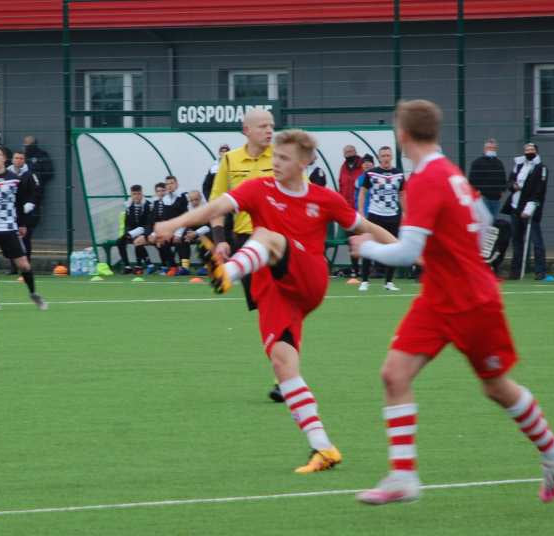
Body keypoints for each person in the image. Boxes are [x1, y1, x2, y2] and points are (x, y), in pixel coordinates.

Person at [349, 99, 554, 505]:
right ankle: (403, 476)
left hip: (471, 301)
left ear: (402, 134)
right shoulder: (448, 172)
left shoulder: (426, 179)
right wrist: (453, 251)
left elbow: (405, 253)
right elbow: (483, 223)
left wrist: (366, 249)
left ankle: (552, 449)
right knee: (393, 375)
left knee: (495, 387)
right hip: (439, 296)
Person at [155, 129, 396, 473]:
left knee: (265, 235)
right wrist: (174, 223)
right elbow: (218, 206)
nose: (276, 164)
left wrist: (407, 252)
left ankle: (228, 274)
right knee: (284, 366)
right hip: (274, 290)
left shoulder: (324, 198)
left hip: (308, 277)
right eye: (274, 157)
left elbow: (366, 226)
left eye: (283, 159)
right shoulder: (259, 189)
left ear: (304, 162)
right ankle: (323, 447)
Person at [209, 109, 285, 402]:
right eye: (264, 126)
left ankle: (284, 378)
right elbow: (217, 203)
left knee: (280, 309)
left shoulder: (282, 158)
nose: (269, 131)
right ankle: (284, 373)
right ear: (246, 130)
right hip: (244, 243)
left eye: (272, 126)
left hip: (278, 244)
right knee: (265, 311)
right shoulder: (229, 160)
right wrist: (220, 240)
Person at [0, 146, 45, 312]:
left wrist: (22, 224)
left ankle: (33, 293)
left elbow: (19, 203)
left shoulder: (14, 180)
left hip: (8, 228)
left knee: (24, 265)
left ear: (4, 158)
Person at [357, 146, 406, 291]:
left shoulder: (399, 174)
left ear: (391, 157)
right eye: (383, 155)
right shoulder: (371, 173)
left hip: (393, 216)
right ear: (379, 158)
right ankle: (365, 281)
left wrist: (405, 213)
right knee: (368, 246)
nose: (386, 158)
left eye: (388, 155)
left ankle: (389, 282)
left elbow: (402, 195)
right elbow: (362, 193)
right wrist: (360, 211)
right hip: (375, 215)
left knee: (394, 247)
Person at [501, 143, 548, 280]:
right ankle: (515, 272)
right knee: (516, 240)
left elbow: (539, 191)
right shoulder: (519, 165)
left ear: (536, 151)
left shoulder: (541, 168)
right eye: (527, 150)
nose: (529, 152)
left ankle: (540, 271)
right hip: (515, 207)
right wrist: (512, 186)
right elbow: (509, 181)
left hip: (530, 210)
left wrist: (529, 208)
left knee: (536, 240)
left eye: (531, 150)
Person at [7, 152, 40, 271]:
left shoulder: (30, 175)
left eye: (21, 158)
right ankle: (13, 268)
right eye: (16, 158)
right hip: (9, 213)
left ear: (24, 160)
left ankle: (26, 266)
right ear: (12, 159)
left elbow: (35, 192)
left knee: (25, 239)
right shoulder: (6, 174)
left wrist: (29, 205)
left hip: (25, 213)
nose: (19, 160)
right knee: (10, 240)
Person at [338, 146, 367, 277]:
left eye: (350, 152)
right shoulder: (343, 168)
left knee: (365, 239)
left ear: (355, 153)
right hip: (347, 210)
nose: (348, 155)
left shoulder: (363, 166)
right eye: (346, 153)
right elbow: (341, 186)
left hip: (361, 210)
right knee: (352, 240)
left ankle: (368, 268)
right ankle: (355, 270)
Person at [468, 138, 507, 217]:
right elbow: (472, 179)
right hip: (483, 197)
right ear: (484, 149)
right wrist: (477, 192)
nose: (492, 150)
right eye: (489, 148)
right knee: (484, 220)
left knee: (493, 221)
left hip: (496, 198)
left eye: (494, 148)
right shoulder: (477, 162)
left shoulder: (499, 163)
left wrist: (502, 191)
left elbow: (502, 178)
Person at [117, 184, 152, 274]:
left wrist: (144, 234)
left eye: (138, 193)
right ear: (131, 195)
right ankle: (127, 266)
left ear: (142, 194)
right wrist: (127, 233)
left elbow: (149, 223)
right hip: (132, 232)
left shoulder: (148, 205)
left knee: (138, 240)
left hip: (145, 231)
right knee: (120, 241)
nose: (136, 196)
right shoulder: (129, 206)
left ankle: (139, 265)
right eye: (134, 194)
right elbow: (127, 223)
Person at [163, 175, 191, 275]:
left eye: (171, 183)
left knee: (182, 237)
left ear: (176, 184)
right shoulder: (165, 199)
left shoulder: (183, 196)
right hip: (172, 228)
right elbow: (166, 219)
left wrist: (178, 233)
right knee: (162, 239)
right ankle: (173, 266)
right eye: (167, 184)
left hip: (185, 225)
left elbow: (186, 216)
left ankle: (185, 267)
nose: (169, 186)